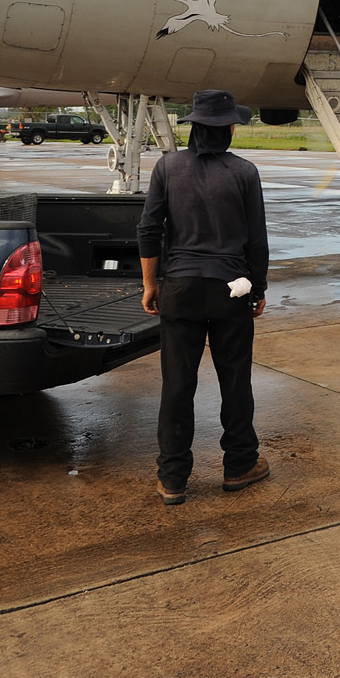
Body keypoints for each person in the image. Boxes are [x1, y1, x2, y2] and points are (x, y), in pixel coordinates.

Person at [138, 89, 270, 505]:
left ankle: (173, 478)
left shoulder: (167, 168)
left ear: (195, 127)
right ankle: (239, 466)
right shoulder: (244, 172)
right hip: (231, 290)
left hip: (179, 288)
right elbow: (257, 241)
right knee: (235, 380)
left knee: (177, 384)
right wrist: (259, 288)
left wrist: (150, 284)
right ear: (226, 129)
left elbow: (148, 229)